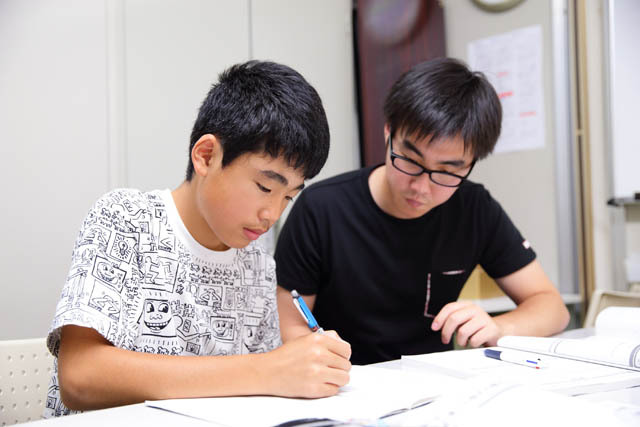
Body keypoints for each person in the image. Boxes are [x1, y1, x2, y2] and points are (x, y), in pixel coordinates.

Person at [44, 60, 351, 417]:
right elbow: (80, 377)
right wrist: (267, 370)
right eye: (265, 186)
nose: (272, 214)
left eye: (288, 196)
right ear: (206, 156)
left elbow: (264, 395)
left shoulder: (256, 262)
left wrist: (303, 368)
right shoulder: (127, 219)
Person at [275, 57, 570, 365]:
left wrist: (500, 326)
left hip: (434, 386)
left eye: (447, 172)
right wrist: (318, 353)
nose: (421, 187)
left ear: (470, 164)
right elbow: (288, 324)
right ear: (389, 133)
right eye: (411, 161)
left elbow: (552, 307)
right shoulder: (322, 208)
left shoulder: (474, 208)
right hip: (343, 383)